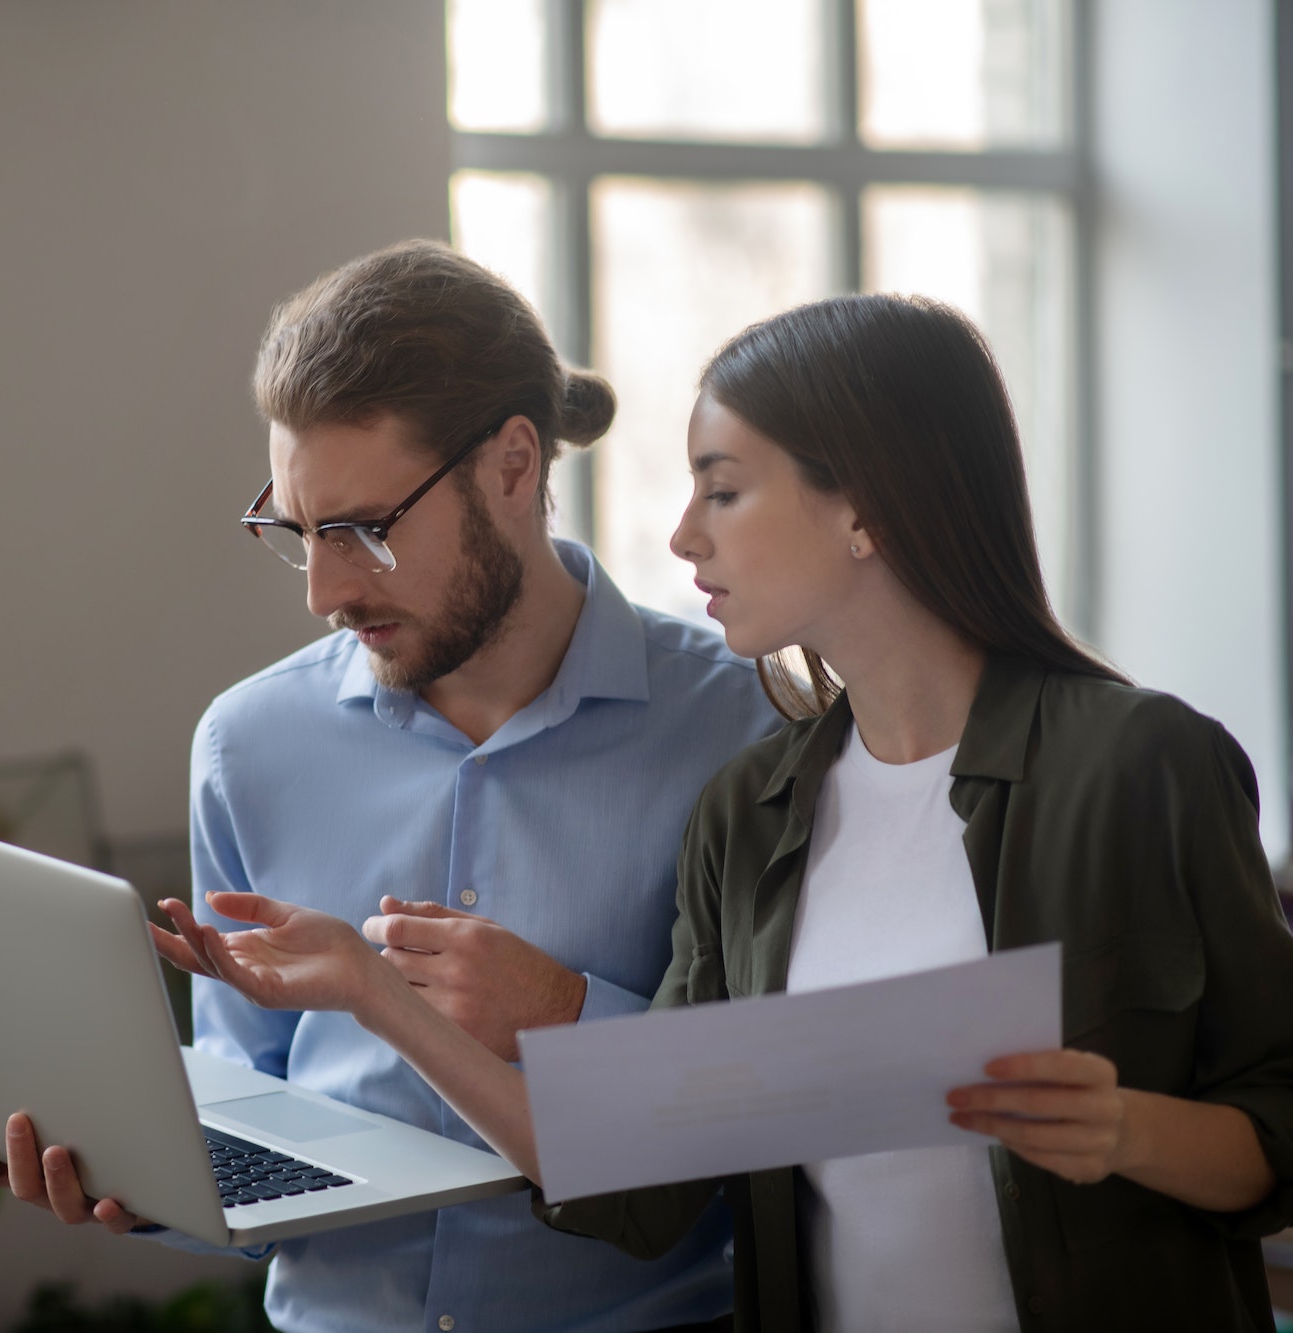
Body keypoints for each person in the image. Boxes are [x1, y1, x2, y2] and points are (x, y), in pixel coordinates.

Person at [151, 293, 1293, 1333]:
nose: (681, 535)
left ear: (867, 510)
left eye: (723, 488)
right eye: (298, 533)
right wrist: (366, 989)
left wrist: (1126, 1132)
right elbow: (648, 1173)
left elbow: (1273, 1115)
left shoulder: (1139, 763)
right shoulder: (755, 807)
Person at [0, 240, 784, 1333]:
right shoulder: (247, 743)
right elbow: (243, 1096)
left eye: (361, 532)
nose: (324, 592)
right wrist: (136, 1180)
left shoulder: (746, 725)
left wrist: (563, 1011)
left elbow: (772, 1107)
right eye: (297, 535)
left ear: (513, 465)